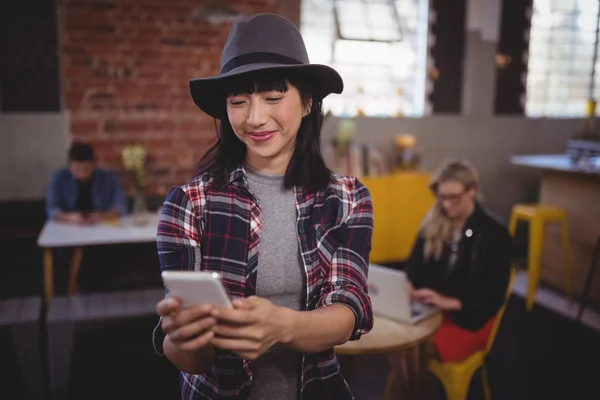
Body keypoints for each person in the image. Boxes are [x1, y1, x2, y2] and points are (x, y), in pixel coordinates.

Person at [152, 13, 374, 400]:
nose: (254, 118)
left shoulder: (346, 198)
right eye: (239, 101)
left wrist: (282, 325)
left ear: (307, 102)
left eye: (273, 98)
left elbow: (348, 311)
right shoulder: (191, 204)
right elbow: (189, 358)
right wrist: (185, 336)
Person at [406, 158, 512, 363]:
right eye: (441, 197)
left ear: (472, 191)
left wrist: (451, 302)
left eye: (454, 197)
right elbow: (414, 265)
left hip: (467, 317)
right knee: (401, 338)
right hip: (430, 310)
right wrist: (410, 285)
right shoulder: (433, 223)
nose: (446, 205)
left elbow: (494, 294)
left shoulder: (494, 234)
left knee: (412, 345)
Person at [45, 142, 128, 224]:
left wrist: (104, 215)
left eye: (86, 169)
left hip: (101, 224)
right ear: (69, 166)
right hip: (69, 225)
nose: (82, 174)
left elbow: (121, 206)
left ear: (94, 164)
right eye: (77, 169)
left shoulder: (109, 177)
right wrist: (69, 217)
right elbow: (52, 209)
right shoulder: (59, 177)